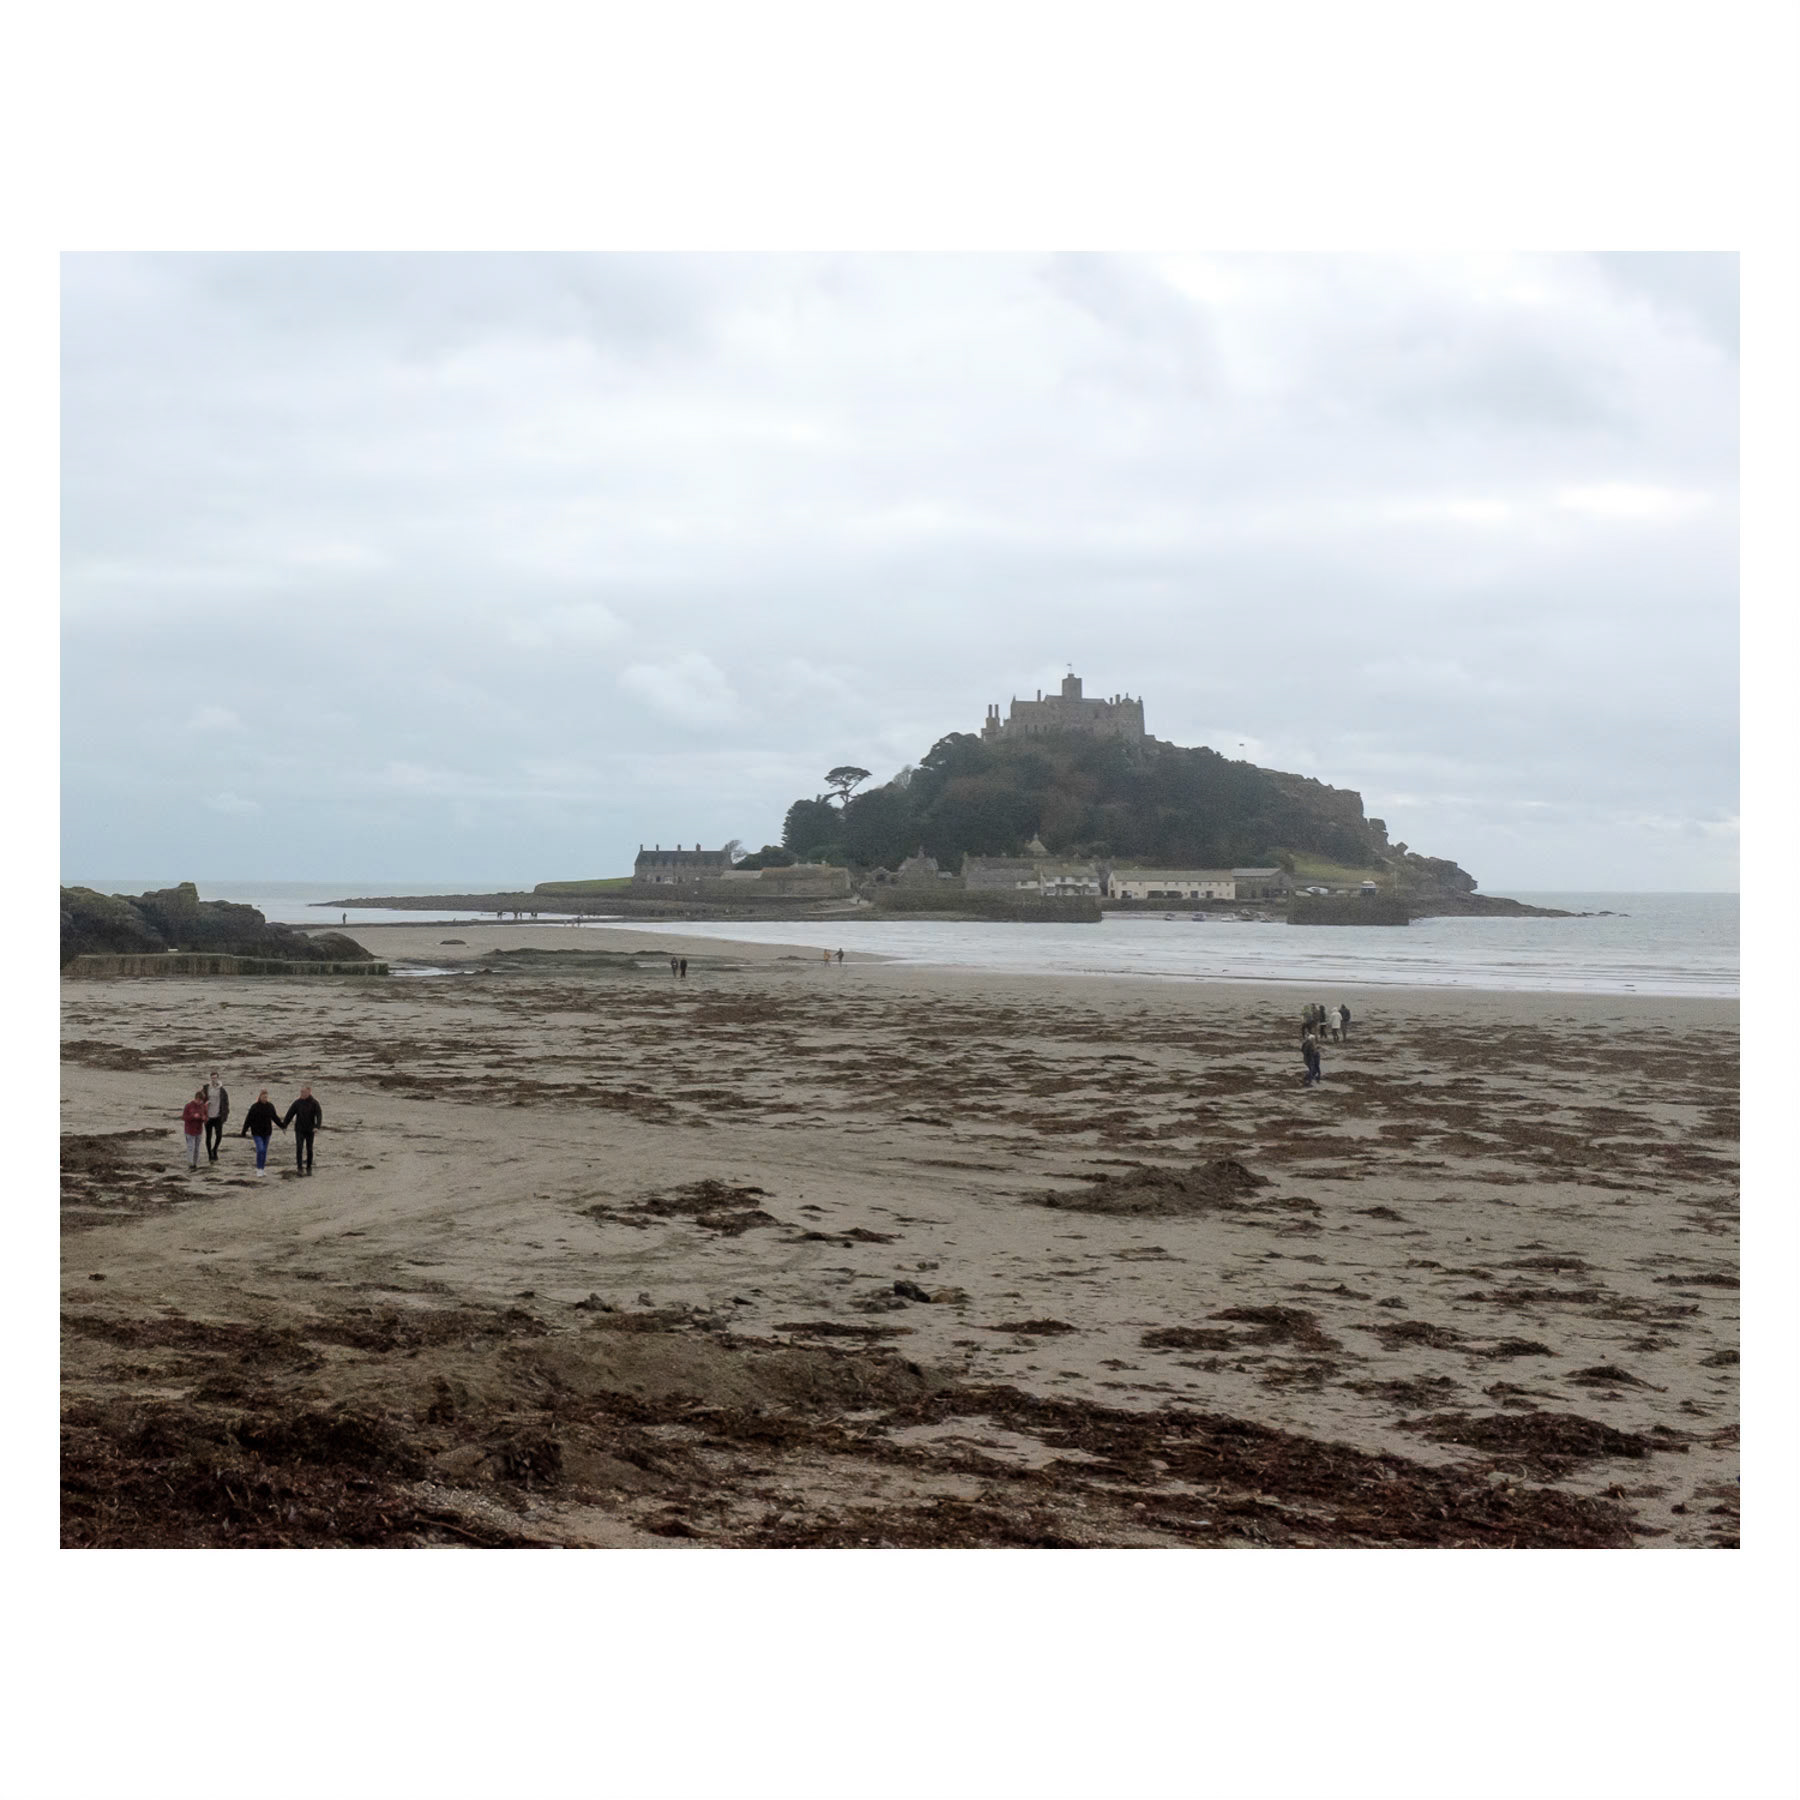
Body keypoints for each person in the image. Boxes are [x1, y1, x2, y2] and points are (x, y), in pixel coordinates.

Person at [238, 1088, 282, 1176]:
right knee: (260, 1149)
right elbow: (248, 1119)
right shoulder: (254, 1107)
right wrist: (244, 1131)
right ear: (260, 1096)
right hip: (256, 1132)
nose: (265, 1098)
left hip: (267, 1132)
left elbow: (275, 1118)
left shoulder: (270, 1106)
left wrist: (282, 1126)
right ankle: (258, 1169)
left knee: (264, 1151)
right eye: (263, 1097)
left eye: (266, 1097)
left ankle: (262, 1168)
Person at [281, 1085, 323, 1175]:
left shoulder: (314, 1103)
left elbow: (319, 1115)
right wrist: (284, 1125)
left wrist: (317, 1126)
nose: (302, 1094)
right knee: (299, 1148)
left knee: (309, 1149)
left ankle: (309, 1167)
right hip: (299, 1129)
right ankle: (299, 1167)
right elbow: (290, 1114)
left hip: (310, 1130)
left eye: (303, 1092)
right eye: (301, 1092)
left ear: (309, 1092)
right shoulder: (297, 1103)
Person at [203, 1070, 231, 1162]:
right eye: (212, 1078)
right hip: (208, 1117)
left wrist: (225, 1115)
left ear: (218, 1078)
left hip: (218, 1117)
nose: (214, 1079)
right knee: (208, 1137)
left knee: (219, 1136)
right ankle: (209, 1155)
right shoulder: (206, 1088)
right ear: (210, 1078)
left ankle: (214, 1149)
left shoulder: (222, 1090)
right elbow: (200, 1100)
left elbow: (226, 1104)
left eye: (215, 1078)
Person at [180, 1088, 208, 1167]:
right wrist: (193, 1116)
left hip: (199, 1130)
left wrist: (204, 1118)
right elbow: (184, 1117)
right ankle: (190, 1164)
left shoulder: (203, 1106)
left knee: (197, 1148)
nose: (200, 1102)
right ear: (196, 1098)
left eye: (202, 1101)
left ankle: (195, 1163)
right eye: (199, 1100)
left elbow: (206, 1117)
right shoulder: (188, 1106)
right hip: (189, 1130)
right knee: (190, 1147)